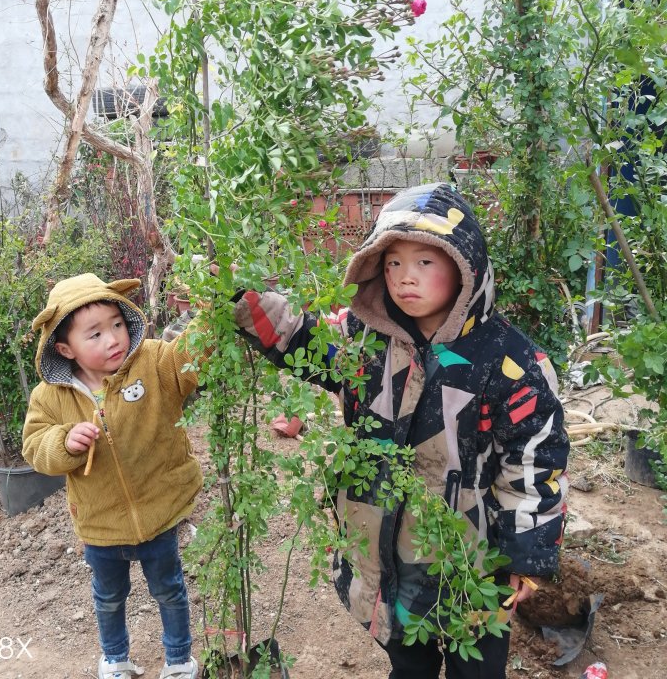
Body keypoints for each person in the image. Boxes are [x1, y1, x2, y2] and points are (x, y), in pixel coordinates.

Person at [231, 182, 569, 679]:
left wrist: (528, 554)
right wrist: (244, 302)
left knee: (477, 664)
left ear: (465, 267)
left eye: (424, 262)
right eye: (392, 263)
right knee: (406, 654)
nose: (404, 278)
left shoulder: (511, 362)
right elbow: (300, 338)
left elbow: (534, 464)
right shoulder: (359, 340)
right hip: (387, 549)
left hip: (472, 560)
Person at [22, 273, 203, 679]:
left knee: (169, 591)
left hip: (159, 512)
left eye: (117, 324)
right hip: (101, 524)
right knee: (108, 597)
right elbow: (34, 447)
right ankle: (115, 659)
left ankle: (178, 662)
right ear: (65, 348)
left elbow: (189, 360)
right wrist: (64, 443)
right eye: (96, 334)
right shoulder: (50, 397)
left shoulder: (153, 362)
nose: (113, 339)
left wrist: (208, 315)